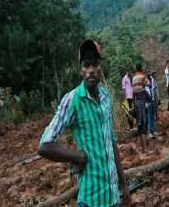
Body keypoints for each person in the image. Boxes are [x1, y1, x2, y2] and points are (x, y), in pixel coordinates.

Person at [38, 39, 131, 207]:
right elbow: (44, 146)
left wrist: (124, 185)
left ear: (100, 67)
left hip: (113, 198)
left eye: (95, 64)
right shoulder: (73, 100)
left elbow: (111, 143)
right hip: (90, 200)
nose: (91, 71)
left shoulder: (105, 98)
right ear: (80, 70)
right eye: (86, 65)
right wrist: (76, 156)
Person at [132, 63, 150, 153]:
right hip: (142, 100)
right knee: (143, 124)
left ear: (135, 68)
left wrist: (133, 104)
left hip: (136, 101)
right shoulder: (142, 76)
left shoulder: (133, 78)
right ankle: (145, 149)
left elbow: (133, 92)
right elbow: (148, 84)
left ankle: (141, 148)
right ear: (141, 68)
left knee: (139, 124)